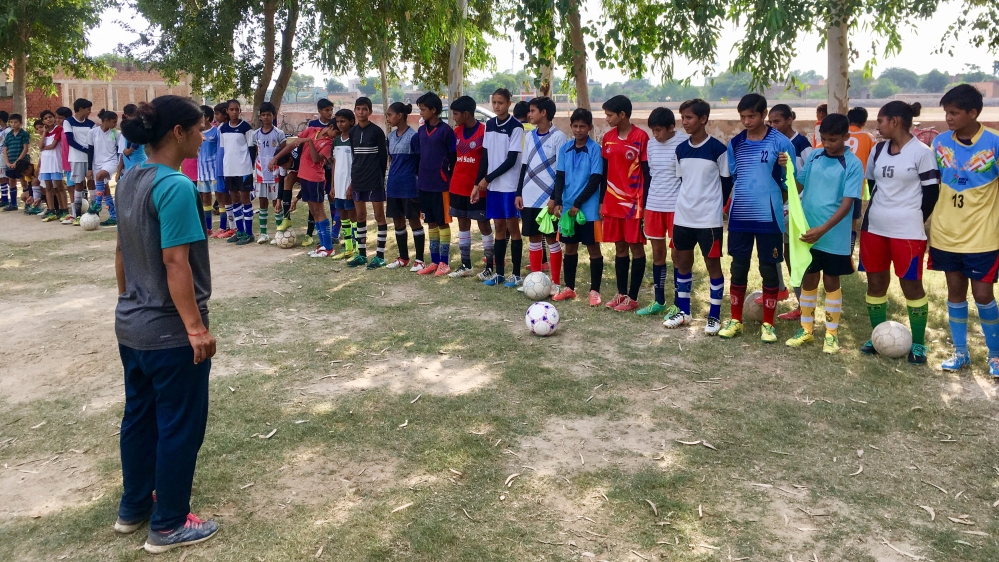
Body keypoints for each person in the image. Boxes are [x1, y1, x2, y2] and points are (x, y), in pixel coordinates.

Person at [113, 95, 218, 554]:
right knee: (179, 424)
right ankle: (170, 524)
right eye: (198, 128)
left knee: (139, 418)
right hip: (169, 333)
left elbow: (121, 252)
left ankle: (134, 507)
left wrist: (128, 300)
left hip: (132, 326)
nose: (203, 136)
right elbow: (176, 262)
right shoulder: (175, 186)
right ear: (178, 132)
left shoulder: (129, 178)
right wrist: (195, 328)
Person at [858, 101, 939, 365]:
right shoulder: (878, 150)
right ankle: (877, 336)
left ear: (895, 121)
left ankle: (918, 344)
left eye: (880, 121)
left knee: (911, 285)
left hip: (908, 232)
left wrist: (912, 219)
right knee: (875, 283)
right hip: (875, 228)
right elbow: (873, 183)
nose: (877, 127)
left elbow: (931, 193)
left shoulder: (922, 153)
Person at [929, 84, 999, 376]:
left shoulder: (994, 144)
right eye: (946, 112)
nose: (948, 117)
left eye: (954, 112)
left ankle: (995, 356)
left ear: (973, 113)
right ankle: (960, 353)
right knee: (955, 291)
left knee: (983, 294)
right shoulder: (939, 143)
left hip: (983, 235)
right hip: (946, 232)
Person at [718, 94, 795, 343]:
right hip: (740, 215)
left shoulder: (781, 142)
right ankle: (735, 320)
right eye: (742, 116)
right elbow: (735, 176)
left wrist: (782, 176)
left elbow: (792, 181)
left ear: (763, 115)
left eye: (751, 116)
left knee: (768, 267)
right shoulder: (736, 143)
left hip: (769, 217)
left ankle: (769, 324)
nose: (746, 121)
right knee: (738, 266)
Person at [784, 114, 863, 354]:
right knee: (809, 279)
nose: (827, 144)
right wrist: (786, 171)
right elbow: (799, 184)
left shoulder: (853, 164)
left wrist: (823, 229)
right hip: (808, 232)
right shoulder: (815, 156)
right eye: (824, 139)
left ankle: (831, 334)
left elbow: (847, 205)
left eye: (833, 139)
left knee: (830, 281)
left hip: (832, 236)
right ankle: (806, 329)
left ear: (845, 137)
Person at [665, 99, 730, 333]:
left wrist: (715, 207)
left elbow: (726, 183)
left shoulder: (718, 149)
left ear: (703, 119)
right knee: (683, 264)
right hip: (683, 217)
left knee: (712, 265)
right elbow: (683, 180)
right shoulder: (680, 150)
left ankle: (714, 316)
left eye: (689, 117)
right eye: (682, 117)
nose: (684, 122)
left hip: (708, 220)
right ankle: (684, 312)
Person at [548, 108, 604, 304]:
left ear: (590, 127)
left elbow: (595, 179)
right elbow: (560, 177)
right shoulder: (565, 149)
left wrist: (578, 204)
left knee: (593, 249)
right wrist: (558, 201)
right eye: (575, 126)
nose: (579, 130)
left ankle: (594, 291)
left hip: (588, 209)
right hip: (568, 209)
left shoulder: (595, 149)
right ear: (571, 126)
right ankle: (569, 288)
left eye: (583, 126)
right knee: (569, 248)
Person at [600, 95, 650, 311]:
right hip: (612, 202)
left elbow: (646, 173)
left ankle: (633, 297)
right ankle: (621, 294)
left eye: (610, 115)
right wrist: (602, 200)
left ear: (622, 115)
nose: (607, 119)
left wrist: (645, 203)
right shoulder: (608, 138)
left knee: (635, 247)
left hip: (633, 204)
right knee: (619, 247)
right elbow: (604, 172)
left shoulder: (641, 137)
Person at [637, 107, 688, 316]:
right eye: (653, 130)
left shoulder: (683, 142)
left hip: (676, 207)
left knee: (677, 255)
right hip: (654, 205)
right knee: (657, 253)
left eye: (659, 130)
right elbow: (651, 175)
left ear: (671, 127)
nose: (655, 135)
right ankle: (659, 300)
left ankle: (678, 302)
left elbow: (686, 176)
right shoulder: (651, 144)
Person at [766, 104, 813, 321]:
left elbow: (810, 174)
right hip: (779, 205)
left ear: (789, 120)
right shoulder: (772, 143)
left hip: (797, 207)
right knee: (783, 252)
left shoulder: (801, 144)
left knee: (797, 255)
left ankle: (805, 305)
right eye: (770, 122)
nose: (773, 126)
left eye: (777, 121)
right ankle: (792, 297)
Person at [516, 96, 566, 293]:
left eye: (532, 111)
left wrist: (555, 198)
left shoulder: (558, 137)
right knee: (534, 238)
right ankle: (534, 281)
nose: (529, 114)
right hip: (529, 194)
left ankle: (555, 283)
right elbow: (524, 166)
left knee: (551, 238)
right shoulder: (529, 136)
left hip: (548, 199)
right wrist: (519, 192)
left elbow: (561, 172)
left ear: (543, 113)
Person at [478, 88, 524, 286]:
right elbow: (486, 156)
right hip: (493, 186)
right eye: (494, 102)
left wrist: (487, 179)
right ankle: (499, 274)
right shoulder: (489, 125)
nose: (496, 106)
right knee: (498, 227)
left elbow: (511, 160)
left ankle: (516, 274)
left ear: (509, 104)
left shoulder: (516, 127)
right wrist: (478, 182)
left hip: (509, 185)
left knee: (513, 228)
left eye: (500, 103)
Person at [270, 120, 337, 257]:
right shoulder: (312, 130)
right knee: (313, 211)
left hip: (316, 179)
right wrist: (276, 158)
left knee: (319, 211)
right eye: (336, 132)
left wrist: (309, 142)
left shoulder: (329, 143)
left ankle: (328, 247)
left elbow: (316, 159)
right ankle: (322, 245)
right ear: (330, 127)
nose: (336, 136)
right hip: (304, 176)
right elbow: (293, 144)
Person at [448, 96, 493, 278]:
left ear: (466, 114)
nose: (454, 117)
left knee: (484, 225)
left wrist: (482, 181)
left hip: (479, 187)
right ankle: (466, 265)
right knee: (462, 224)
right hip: (458, 186)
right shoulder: (456, 132)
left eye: (456, 114)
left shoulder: (484, 131)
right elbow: (453, 158)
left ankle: (490, 265)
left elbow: (488, 159)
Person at [415, 92, 456, 276]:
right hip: (424, 185)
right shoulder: (421, 131)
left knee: (442, 223)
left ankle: (444, 263)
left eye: (423, 109)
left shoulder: (446, 131)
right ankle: (434, 261)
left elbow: (453, 159)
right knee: (430, 223)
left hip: (441, 186)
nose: (421, 112)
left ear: (433, 110)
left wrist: (449, 181)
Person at [346, 97, 389, 269]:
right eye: (358, 109)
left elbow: (383, 158)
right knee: (360, 216)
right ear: (355, 111)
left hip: (374, 180)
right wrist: (352, 181)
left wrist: (380, 178)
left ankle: (380, 255)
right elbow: (354, 156)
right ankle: (362, 254)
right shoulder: (352, 132)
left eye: (364, 109)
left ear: (370, 111)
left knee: (379, 216)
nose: (361, 112)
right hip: (358, 180)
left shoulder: (377, 132)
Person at [384, 102, 425, 269]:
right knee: (398, 222)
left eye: (390, 115)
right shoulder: (390, 137)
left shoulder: (414, 136)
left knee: (414, 222)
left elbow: (419, 162)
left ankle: (420, 260)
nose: (388, 118)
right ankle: (403, 258)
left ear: (400, 116)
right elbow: (391, 160)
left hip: (409, 186)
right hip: (393, 186)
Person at [219, 99, 255, 245]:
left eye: (237, 109)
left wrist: (251, 167)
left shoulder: (246, 127)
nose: (234, 112)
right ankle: (239, 231)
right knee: (234, 198)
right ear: (227, 111)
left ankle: (249, 233)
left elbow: (252, 148)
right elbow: (223, 149)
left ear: (240, 111)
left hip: (244, 168)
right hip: (229, 169)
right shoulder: (222, 128)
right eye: (231, 109)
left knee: (245, 198)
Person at [252, 102, 287, 244]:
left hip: (275, 173)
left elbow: (283, 152)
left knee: (276, 202)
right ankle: (263, 233)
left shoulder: (279, 133)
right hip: (261, 172)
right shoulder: (255, 134)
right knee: (262, 202)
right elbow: (256, 152)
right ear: (260, 116)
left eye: (269, 115)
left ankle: (279, 232)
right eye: (263, 115)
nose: (266, 117)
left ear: (274, 116)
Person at [847, 106, 876, 256]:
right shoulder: (869, 138)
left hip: (834, 186)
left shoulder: (840, 134)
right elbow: (875, 160)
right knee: (852, 224)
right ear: (864, 122)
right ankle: (848, 255)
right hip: (855, 188)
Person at [63, 98, 95, 225]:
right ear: (80, 109)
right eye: (88, 109)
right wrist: (85, 149)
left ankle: (94, 211)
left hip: (90, 158)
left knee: (91, 181)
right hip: (76, 157)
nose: (90, 112)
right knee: (78, 183)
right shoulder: (68, 122)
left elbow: (93, 141)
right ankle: (77, 214)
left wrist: (90, 152)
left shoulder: (91, 124)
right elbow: (70, 141)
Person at [85, 109, 120, 224]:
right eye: (114, 122)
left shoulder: (116, 134)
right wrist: (89, 169)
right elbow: (90, 151)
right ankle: (113, 216)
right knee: (105, 189)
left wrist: (120, 167)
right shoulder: (93, 132)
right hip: (97, 163)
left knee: (100, 176)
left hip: (111, 161)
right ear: (106, 120)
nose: (115, 124)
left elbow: (118, 151)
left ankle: (98, 203)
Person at [330, 108, 356, 259]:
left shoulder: (354, 140)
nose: (340, 124)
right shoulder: (336, 141)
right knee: (343, 216)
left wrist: (351, 185)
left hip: (349, 185)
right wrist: (333, 186)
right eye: (338, 121)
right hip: (338, 185)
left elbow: (357, 164)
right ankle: (348, 248)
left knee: (353, 217)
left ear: (351, 122)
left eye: (343, 121)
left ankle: (357, 247)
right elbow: (334, 164)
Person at [38, 110, 67, 223]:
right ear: (43, 121)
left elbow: (53, 145)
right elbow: (40, 145)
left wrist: (43, 148)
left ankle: (64, 209)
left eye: (50, 117)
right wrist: (44, 133)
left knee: (59, 186)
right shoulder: (45, 132)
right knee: (48, 187)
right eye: (45, 118)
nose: (48, 119)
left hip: (55, 162)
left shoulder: (58, 129)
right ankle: (51, 210)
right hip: (45, 163)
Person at [196, 106, 220, 235]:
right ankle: (208, 227)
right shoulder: (197, 133)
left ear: (207, 118)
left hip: (214, 170)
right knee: (205, 199)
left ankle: (223, 226)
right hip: (202, 170)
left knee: (220, 198)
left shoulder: (216, 132)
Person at [2, 113, 31, 212]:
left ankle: (27, 203)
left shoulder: (24, 134)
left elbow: (25, 149)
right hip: (10, 162)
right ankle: (13, 203)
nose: (13, 124)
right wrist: (7, 162)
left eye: (16, 122)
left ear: (21, 123)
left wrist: (17, 162)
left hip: (21, 163)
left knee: (23, 181)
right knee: (11, 182)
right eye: (11, 122)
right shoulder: (9, 135)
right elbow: (5, 149)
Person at [0, 111, 9, 209]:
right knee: (1, 177)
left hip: (4, 156)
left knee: (5, 177)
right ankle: (4, 197)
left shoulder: (8, 131)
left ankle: (6, 198)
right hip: (0, 156)